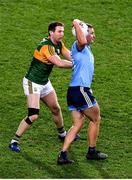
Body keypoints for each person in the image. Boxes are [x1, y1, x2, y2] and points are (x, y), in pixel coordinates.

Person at [9, 21, 80, 153]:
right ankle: (14, 140)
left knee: (55, 108)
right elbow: (58, 63)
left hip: (44, 82)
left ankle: (62, 134)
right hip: (32, 82)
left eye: (63, 31)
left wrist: (79, 58)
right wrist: (77, 65)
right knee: (33, 115)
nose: (62, 34)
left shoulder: (58, 44)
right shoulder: (46, 47)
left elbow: (69, 55)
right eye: (59, 31)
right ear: (51, 32)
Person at [57, 19, 108, 164]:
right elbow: (81, 40)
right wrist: (76, 23)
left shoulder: (86, 49)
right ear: (84, 34)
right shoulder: (79, 45)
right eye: (91, 33)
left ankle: (63, 154)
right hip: (81, 91)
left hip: (73, 92)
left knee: (77, 124)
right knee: (96, 118)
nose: (94, 36)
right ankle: (92, 151)